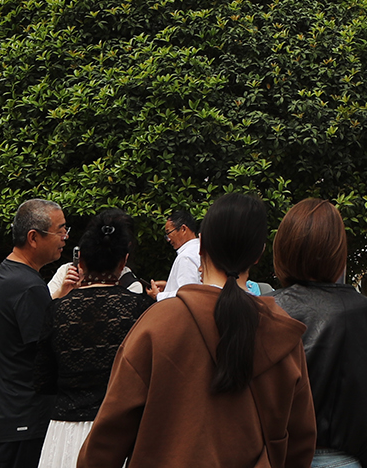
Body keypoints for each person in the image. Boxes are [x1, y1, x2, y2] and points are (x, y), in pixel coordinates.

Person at [81, 192, 314, 468]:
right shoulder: (282, 335)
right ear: (258, 254)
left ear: (200, 245)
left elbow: (109, 435)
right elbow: (300, 442)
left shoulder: (158, 324)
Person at [270, 200, 367, 468]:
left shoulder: (265, 310)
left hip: (276, 455)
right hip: (344, 457)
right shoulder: (365, 313)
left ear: (283, 247)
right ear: (338, 251)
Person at [38, 209, 150, 468]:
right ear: (124, 263)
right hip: (122, 430)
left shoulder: (57, 310)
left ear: (81, 262)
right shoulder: (141, 307)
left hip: (65, 432)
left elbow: (43, 380)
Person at [0, 199, 73, 467]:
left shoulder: (7, 273)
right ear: (33, 237)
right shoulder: (28, 286)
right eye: (60, 230)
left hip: (0, 416)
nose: (65, 237)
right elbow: (48, 351)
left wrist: (55, 300)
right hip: (21, 421)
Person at [158, 208, 201, 299]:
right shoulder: (200, 249)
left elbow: (187, 295)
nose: (168, 239)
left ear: (183, 229)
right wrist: (168, 286)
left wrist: (159, 295)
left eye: (169, 233)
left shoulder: (186, 257)